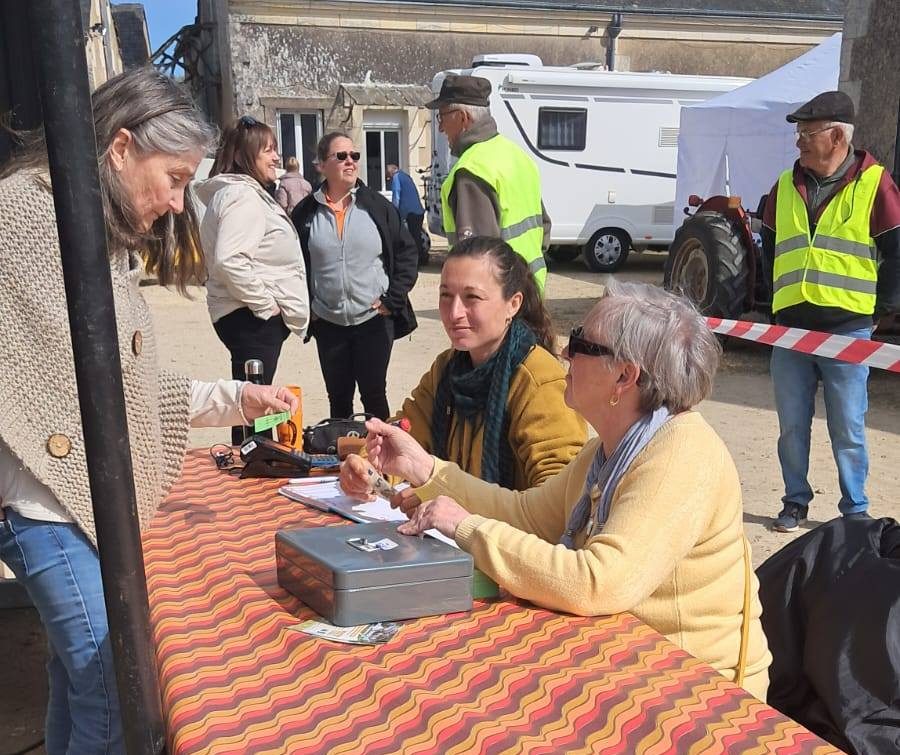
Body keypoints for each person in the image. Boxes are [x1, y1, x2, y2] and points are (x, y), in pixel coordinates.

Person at [0, 67, 300, 754]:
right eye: (172, 177)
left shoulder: (94, 237)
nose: (176, 201)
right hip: (41, 511)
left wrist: (235, 399)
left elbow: (124, 386)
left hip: (74, 508)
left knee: (77, 682)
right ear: (120, 147)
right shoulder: (20, 215)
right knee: (112, 693)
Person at [343, 280, 772, 700]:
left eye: (583, 344)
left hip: (694, 690)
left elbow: (597, 582)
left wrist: (466, 527)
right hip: (628, 662)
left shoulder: (680, 456)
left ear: (624, 376)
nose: (566, 352)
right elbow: (528, 514)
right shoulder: (609, 449)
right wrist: (423, 467)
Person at [761, 90, 900, 533]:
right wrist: (776, 301)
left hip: (848, 331)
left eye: (807, 132)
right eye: (799, 132)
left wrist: (884, 310)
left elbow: (897, 251)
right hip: (791, 330)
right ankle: (794, 502)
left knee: (849, 429)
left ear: (837, 136)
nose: (799, 142)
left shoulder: (876, 184)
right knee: (791, 427)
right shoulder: (785, 184)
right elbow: (769, 243)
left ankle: (854, 509)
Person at [346, 236, 586, 491]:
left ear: (513, 304)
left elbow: (559, 497)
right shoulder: (447, 368)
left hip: (506, 529)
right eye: (446, 296)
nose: (454, 312)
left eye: (472, 298)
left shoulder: (539, 381)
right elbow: (406, 433)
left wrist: (464, 510)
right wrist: (366, 469)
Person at [198, 116, 310, 445]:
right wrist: (267, 306)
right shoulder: (241, 197)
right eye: (269, 150)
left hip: (246, 317)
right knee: (253, 409)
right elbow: (231, 260)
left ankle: (253, 462)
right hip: (251, 318)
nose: (276, 157)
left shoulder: (239, 194)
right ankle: (252, 472)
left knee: (250, 406)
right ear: (246, 154)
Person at [291, 132, 418, 420]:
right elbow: (292, 264)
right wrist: (309, 310)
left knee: (374, 395)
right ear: (322, 165)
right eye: (341, 156)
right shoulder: (306, 213)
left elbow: (407, 254)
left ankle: (380, 460)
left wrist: (392, 300)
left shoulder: (377, 207)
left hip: (372, 321)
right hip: (329, 323)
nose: (350, 161)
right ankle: (344, 461)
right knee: (338, 400)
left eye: (354, 156)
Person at [428, 74, 550, 293]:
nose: (441, 128)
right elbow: (544, 228)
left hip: (499, 303)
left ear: (463, 117)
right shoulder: (518, 156)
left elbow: (478, 261)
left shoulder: (472, 170)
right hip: (530, 290)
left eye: (442, 117)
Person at [386, 163, 427, 266]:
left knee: (413, 237)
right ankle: (422, 258)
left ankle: (417, 261)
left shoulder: (397, 177)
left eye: (388, 174)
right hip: (418, 211)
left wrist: (393, 212)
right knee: (416, 236)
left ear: (392, 171)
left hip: (411, 213)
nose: (388, 178)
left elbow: (396, 195)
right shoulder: (405, 176)